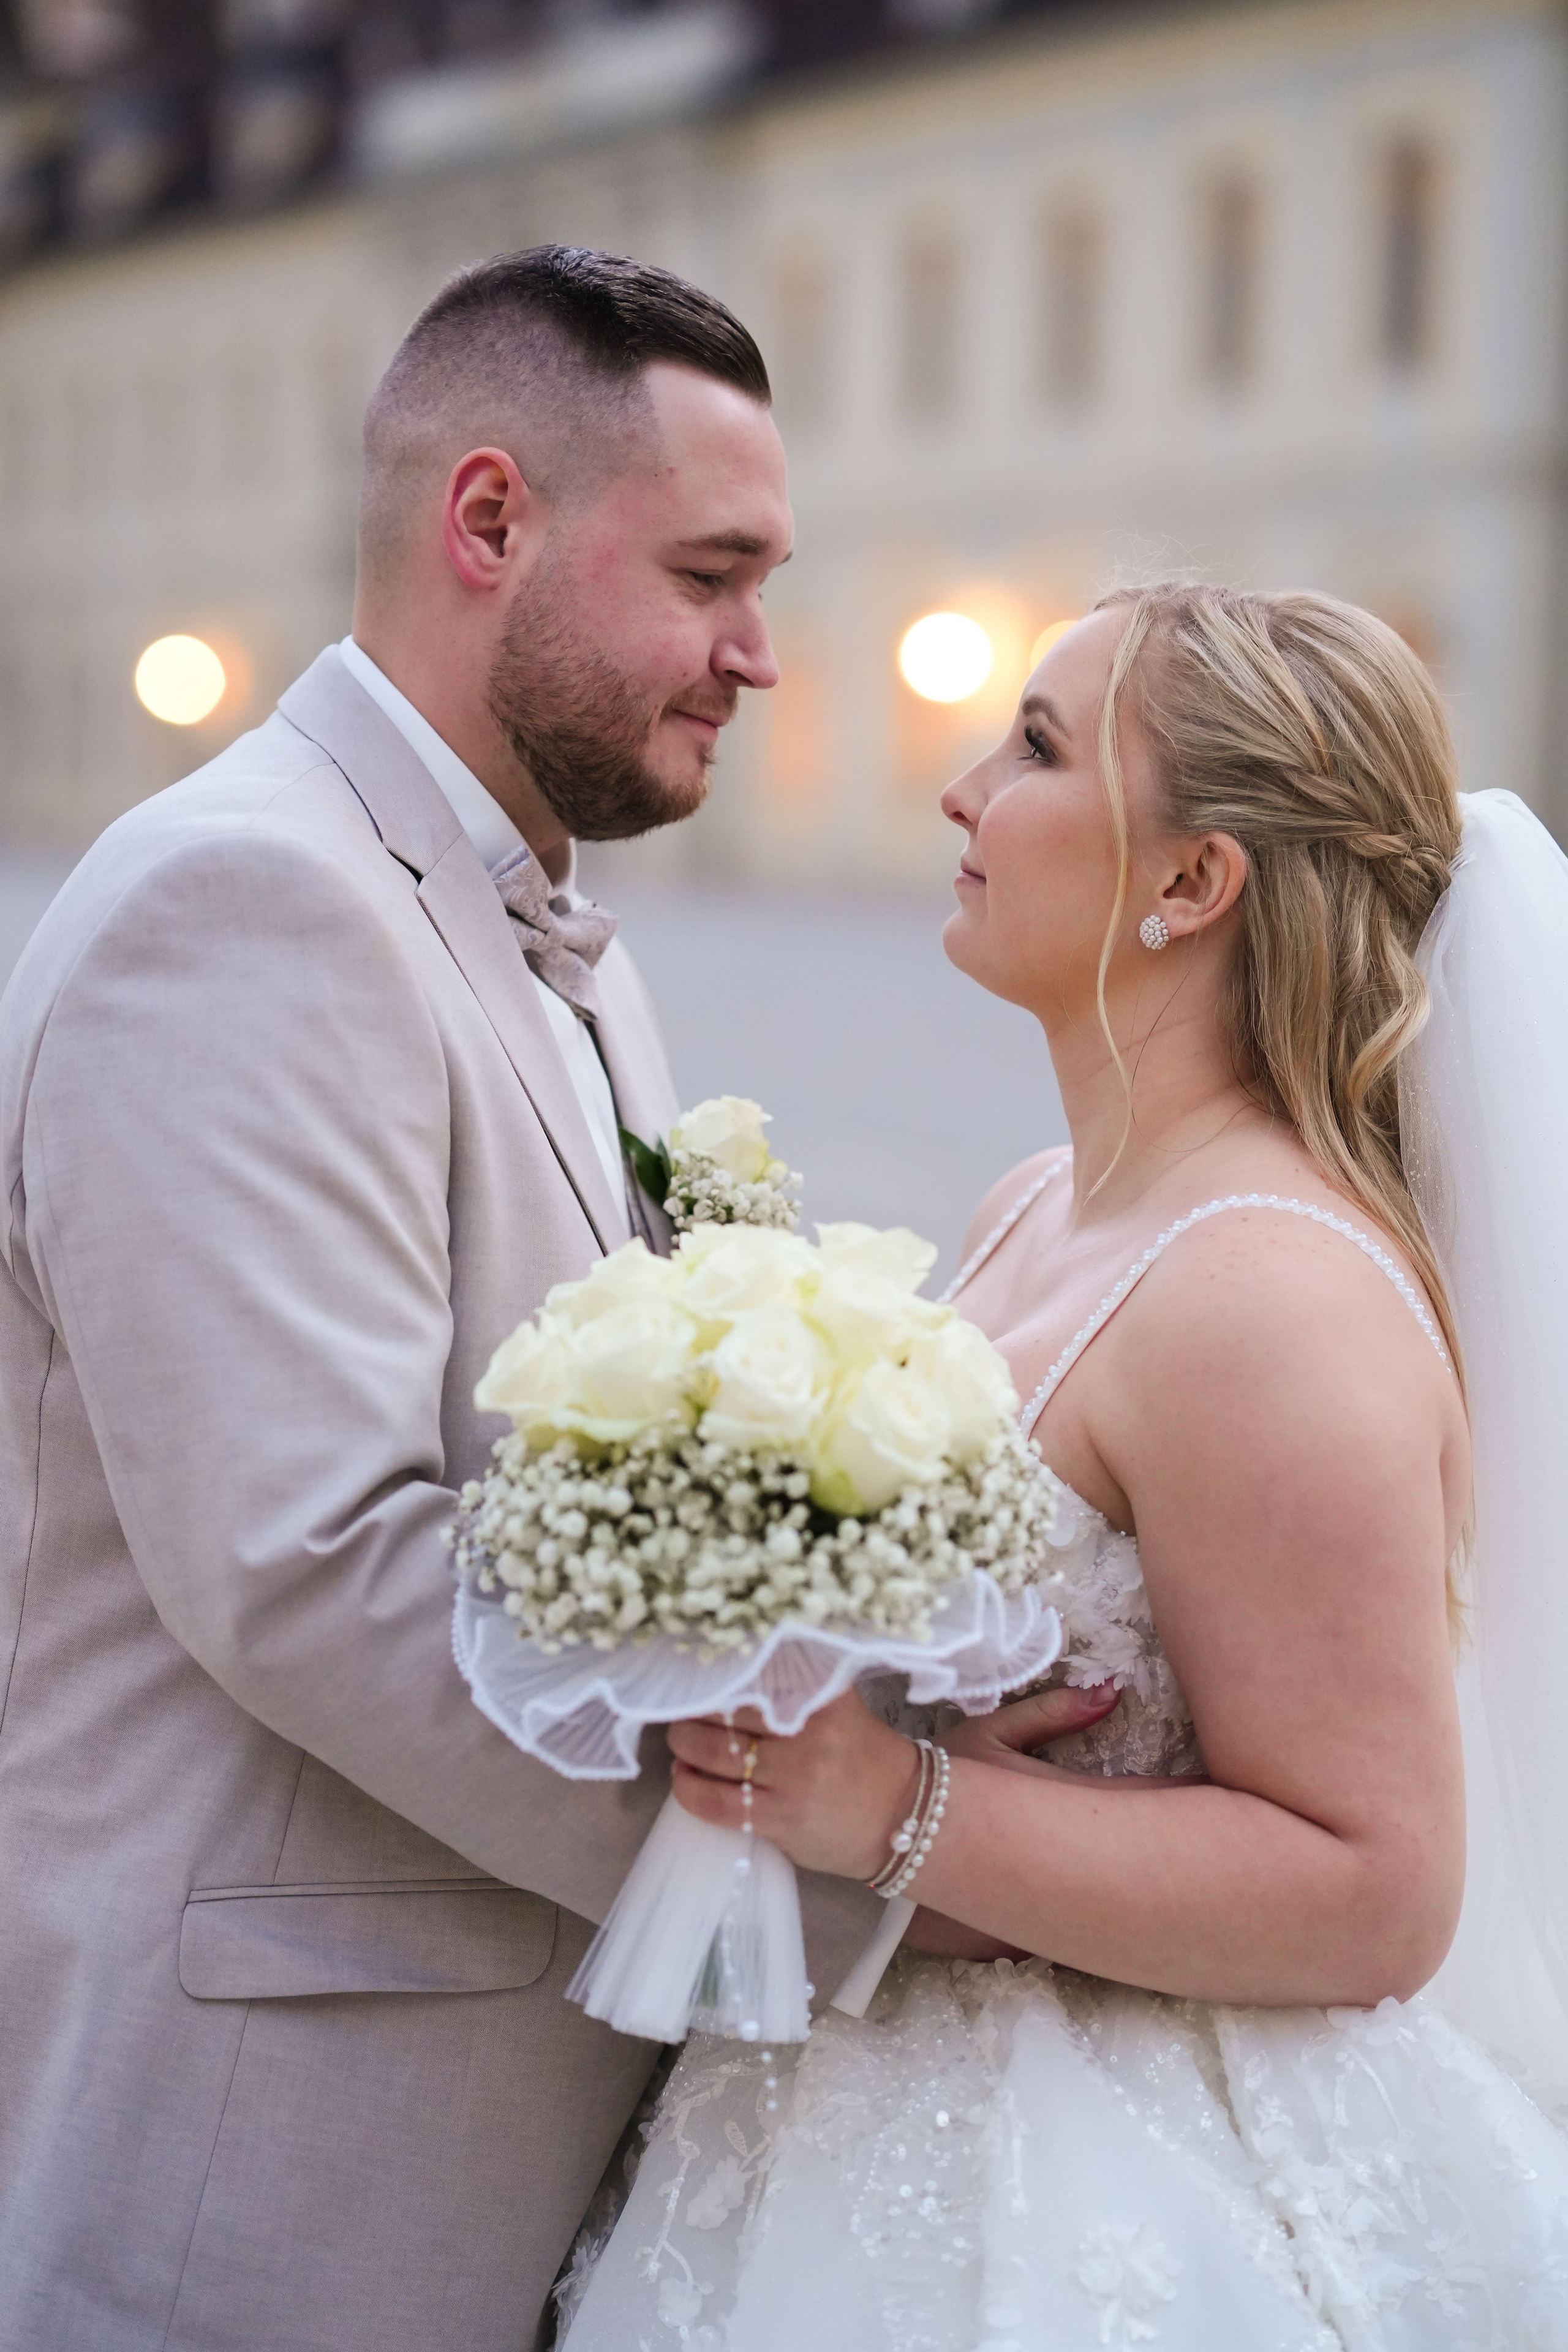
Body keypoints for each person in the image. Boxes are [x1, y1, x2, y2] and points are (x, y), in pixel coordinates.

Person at [0, 246, 887, 2352]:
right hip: (269, 2166)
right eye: (711, 573)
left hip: (490, 2147)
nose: (761, 654)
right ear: (490, 521)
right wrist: (810, 1855)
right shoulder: (251, 905)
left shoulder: (551, 924)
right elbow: (314, 1568)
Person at [560, 584, 1568, 2349]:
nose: (960, 791)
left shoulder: (1265, 1295)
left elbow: (1378, 1887)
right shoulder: (1031, 1200)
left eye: (1032, 747)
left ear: (1194, 886)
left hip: (1127, 2183)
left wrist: (884, 1802)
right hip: (872, 2099)